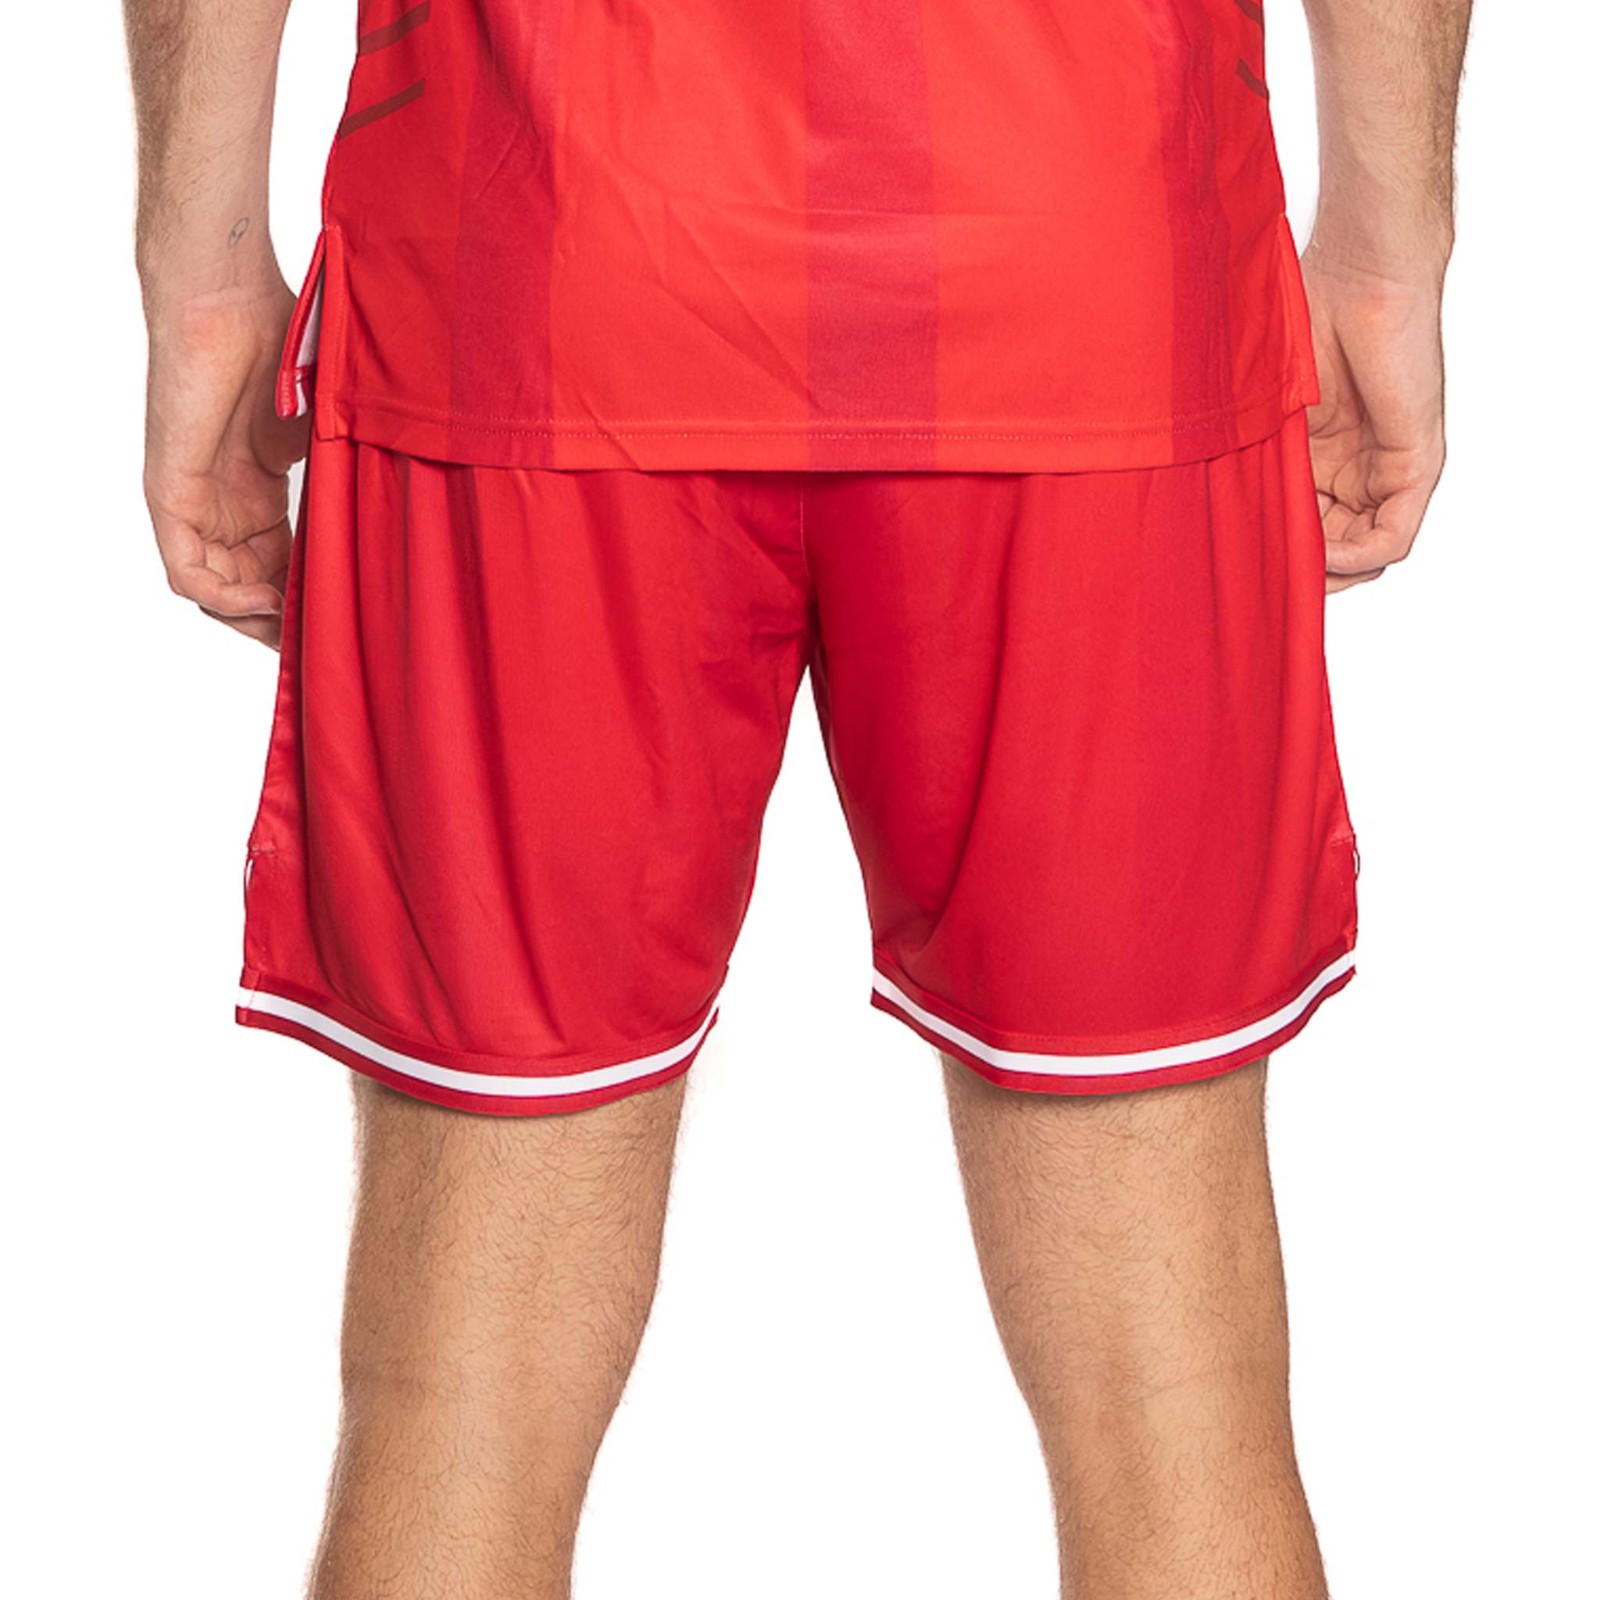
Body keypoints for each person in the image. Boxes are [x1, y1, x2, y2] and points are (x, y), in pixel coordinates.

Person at [124, 0, 1470, 1593]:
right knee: (1169, 1392)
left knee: (460, 1386)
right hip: (1088, 239)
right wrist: (1389, 246)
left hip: (542, 257)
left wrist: (200, 269)